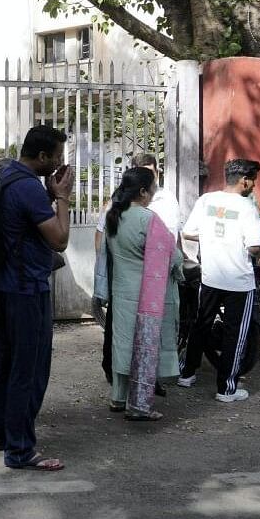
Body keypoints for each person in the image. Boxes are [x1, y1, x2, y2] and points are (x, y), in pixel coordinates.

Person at [0, 125, 74, 471]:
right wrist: (61, 197)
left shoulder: (6, 178)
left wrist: (49, 196)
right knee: (29, 369)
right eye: (58, 158)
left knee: (2, 364)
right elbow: (60, 239)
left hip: (3, 287)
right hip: (27, 289)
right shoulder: (28, 188)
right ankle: (19, 449)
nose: (60, 166)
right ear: (43, 156)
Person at [98, 168, 183, 421]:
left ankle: (117, 398)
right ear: (143, 191)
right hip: (148, 296)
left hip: (121, 292)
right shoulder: (148, 219)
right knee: (144, 348)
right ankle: (139, 406)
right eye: (153, 188)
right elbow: (172, 255)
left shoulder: (114, 215)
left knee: (122, 346)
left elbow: (104, 255)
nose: (154, 192)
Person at [178, 159, 260, 403]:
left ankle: (186, 373)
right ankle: (227, 389)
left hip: (210, 276)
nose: (253, 186)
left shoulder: (206, 200)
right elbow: (255, 246)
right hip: (239, 282)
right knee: (235, 334)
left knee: (201, 324)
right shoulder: (247, 207)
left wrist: (211, 237)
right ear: (244, 181)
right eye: (253, 181)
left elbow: (188, 232)